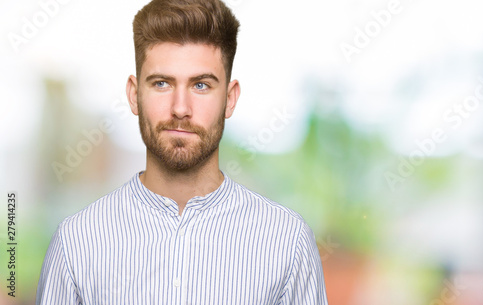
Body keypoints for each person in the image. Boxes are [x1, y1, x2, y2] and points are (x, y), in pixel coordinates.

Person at [36, 0, 328, 304]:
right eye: (161, 83)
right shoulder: (76, 243)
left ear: (230, 99)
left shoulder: (287, 242)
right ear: (134, 95)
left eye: (201, 85)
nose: (180, 108)